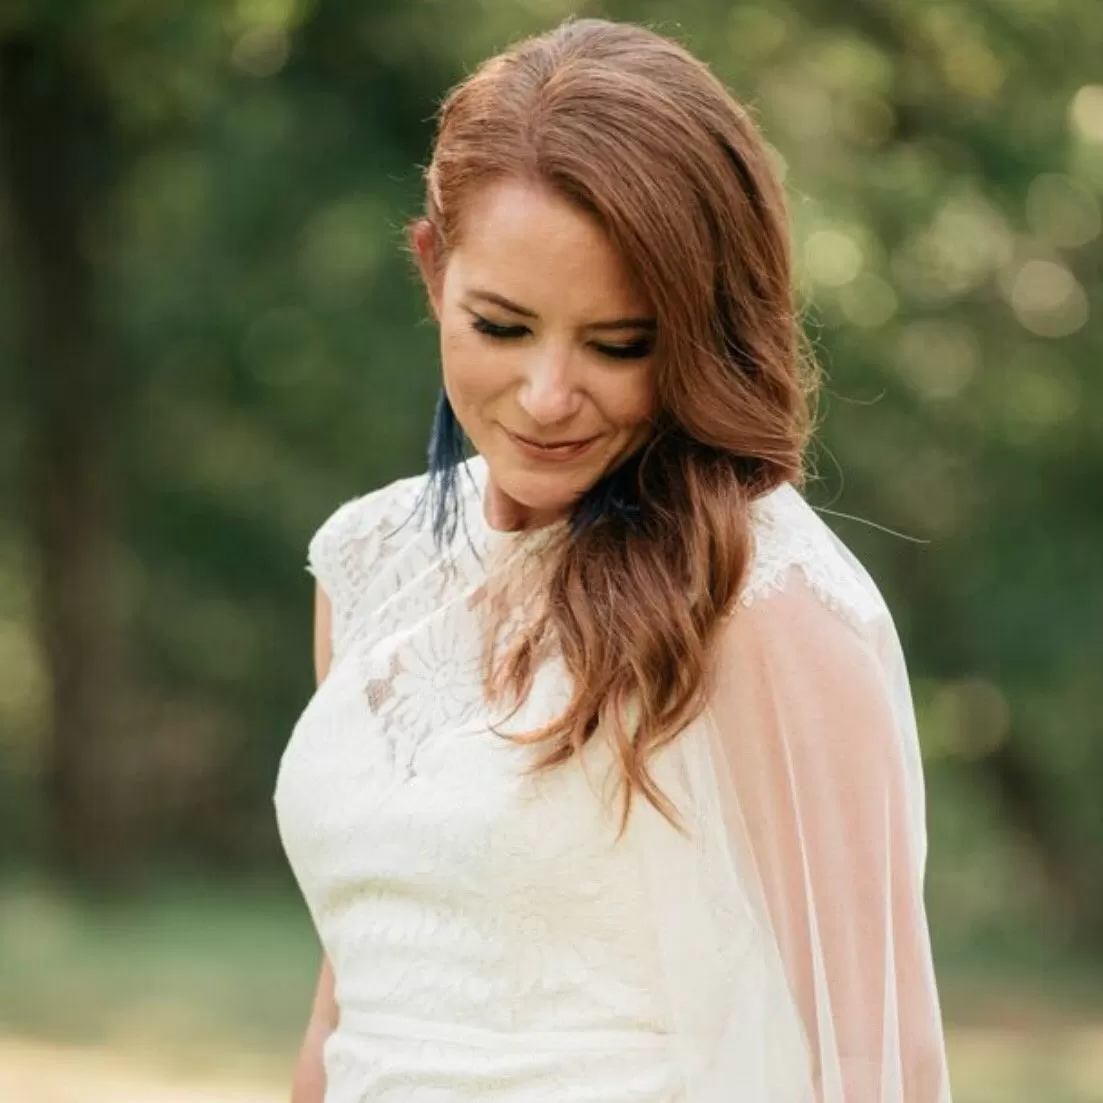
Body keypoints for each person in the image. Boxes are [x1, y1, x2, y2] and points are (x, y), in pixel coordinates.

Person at [274, 17, 952, 1103]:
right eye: (500, 326)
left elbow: (875, 1060)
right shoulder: (369, 560)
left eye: (617, 344)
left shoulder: (759, 598)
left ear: (698, 330)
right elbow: (349, 1004)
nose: (548, 398)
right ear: (431, 271)